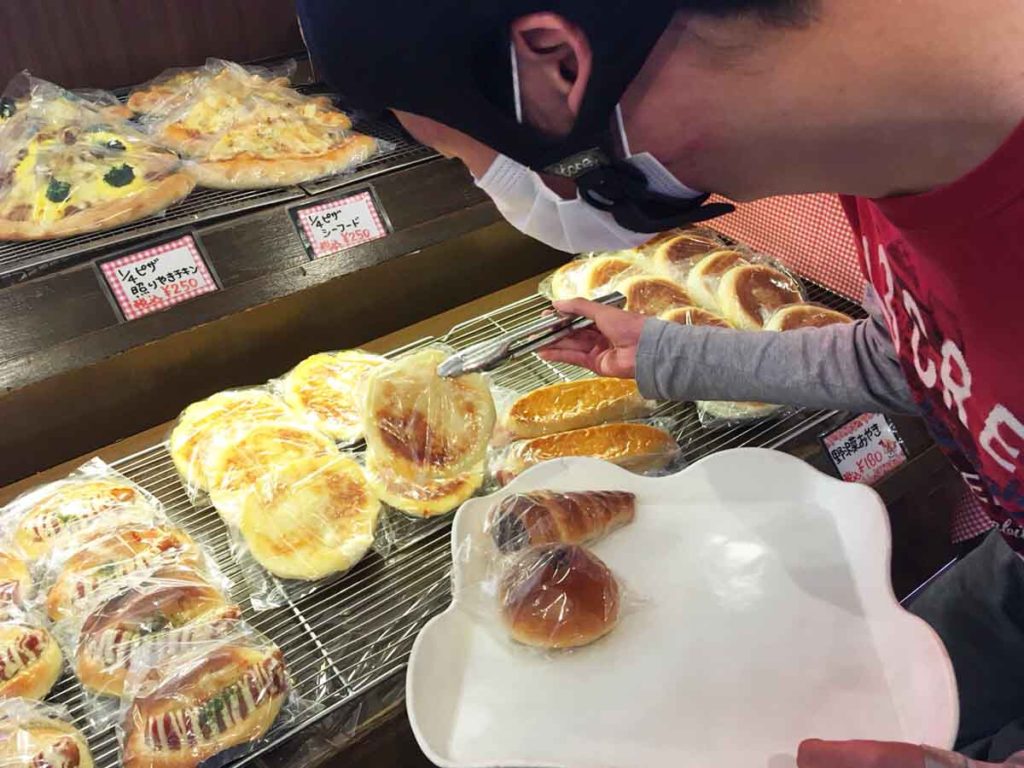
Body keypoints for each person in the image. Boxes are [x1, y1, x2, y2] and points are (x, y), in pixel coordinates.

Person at [296, 0, 1024, 765]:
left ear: (556, 65)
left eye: (466, 161)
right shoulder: (903, 151)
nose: (496, 193)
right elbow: (917, 352)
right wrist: (668, 355)